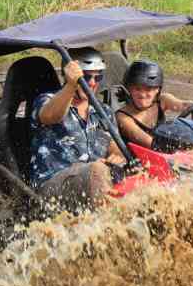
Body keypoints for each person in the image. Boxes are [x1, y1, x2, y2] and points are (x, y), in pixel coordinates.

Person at [28, 47, 125, 209]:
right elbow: (49, 116)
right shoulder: (48, 100)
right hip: (52, 184)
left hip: (97, 180)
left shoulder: (103, 110)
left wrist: (116, 156)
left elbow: (115, 146)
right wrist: (71, 86)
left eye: (98, 77)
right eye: (86, 77)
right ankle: (108, 229)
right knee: (96, 170)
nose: (93, 83)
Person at [115, 60, 193, 149]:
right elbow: (148, 143)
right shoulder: (123, 117)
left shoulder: (163, 100)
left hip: (167, 148)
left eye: (148, 89)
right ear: (129, 89)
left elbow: (183, 105)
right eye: (137, 89)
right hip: (144, 154)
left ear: (157, 89)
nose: (142, 94)